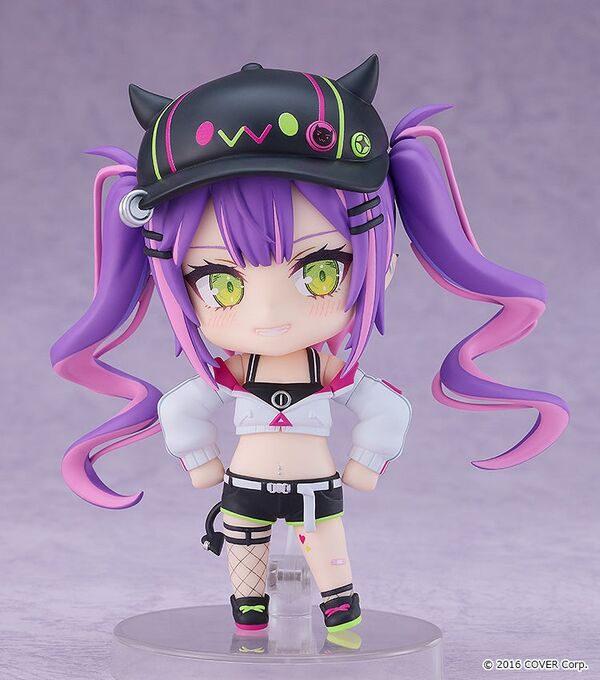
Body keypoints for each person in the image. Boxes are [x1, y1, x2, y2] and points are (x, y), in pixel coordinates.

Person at [50, 55, 569, 633]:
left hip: (315, 485)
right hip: (244, 484)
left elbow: (385, 406)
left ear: (383, 265)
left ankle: (340, 614)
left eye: (320, 273)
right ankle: (250, 618)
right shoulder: (234, 374)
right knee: (245, 562)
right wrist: (199, 458)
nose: (269, 316)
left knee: (328, 555)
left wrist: (367, 459)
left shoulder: (328, 372)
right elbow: (181, 407)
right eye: (221, 285)